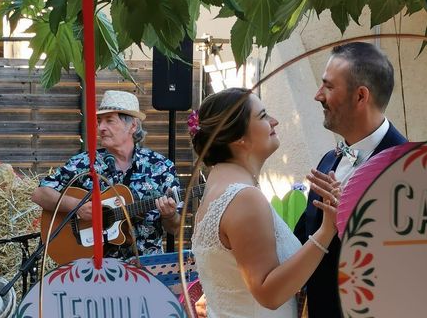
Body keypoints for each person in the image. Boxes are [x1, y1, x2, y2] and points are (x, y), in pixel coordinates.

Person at [191, 87, 340, 317]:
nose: (274, 121)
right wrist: (327, 229)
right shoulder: (244, 198)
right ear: (237, 137)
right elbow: (269, 294)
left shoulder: (217, 186)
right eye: (262, 116)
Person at [294, 41, 407, 318]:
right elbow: (302, 238)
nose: (318, 95)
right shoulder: (327, 160)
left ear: (360, 96)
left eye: (329, 87)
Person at [31, 90, 182, 259]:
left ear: (133, 126)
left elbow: (175, 228)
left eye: (109, 121)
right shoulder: (84, 163)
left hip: (145, 269)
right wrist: (76, 206)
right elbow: (39, 194)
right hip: (93, 270)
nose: (101, 127)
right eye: (99, 121)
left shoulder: (161, 167)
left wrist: (169, 214)